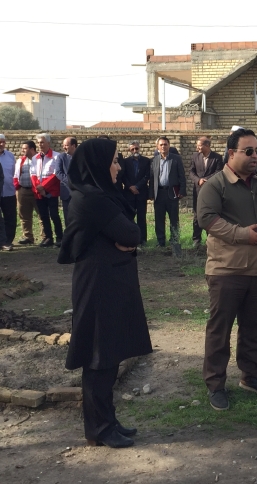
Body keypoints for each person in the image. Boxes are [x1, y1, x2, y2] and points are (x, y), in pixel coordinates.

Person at [58, 138, 151, 449]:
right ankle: (99, 428)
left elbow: (130, 235)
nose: (118, 166)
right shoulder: (92, 200)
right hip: (98, 287)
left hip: (108, 283)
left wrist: (123, 240)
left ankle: (107, 422)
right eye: (113, 161)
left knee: (108, 355)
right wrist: (124, 239)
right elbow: (132, 233)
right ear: (97, 165)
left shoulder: (99, 196)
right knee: (98, 357)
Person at [196, 128, 257, 411]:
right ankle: (215, 384)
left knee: (253, 327)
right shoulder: (215, 185)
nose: (255, 156)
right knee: (219, 330)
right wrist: (243, 234)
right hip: (227, 271)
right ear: (231, 153)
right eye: (248, 151)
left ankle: (251, 375)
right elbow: (207, 219)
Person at [148, 136, 186, 249]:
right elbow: (152, 178)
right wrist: (151, 194)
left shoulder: (176, 159)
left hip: (172, 193)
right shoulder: (154, 160)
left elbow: (182, 176)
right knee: (159, 218)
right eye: (161, 145)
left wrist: (182, 191)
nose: (163, 146)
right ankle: (161, 242)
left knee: (174, 219)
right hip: (159, 194)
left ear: (169, 145)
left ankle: (174, 241)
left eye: (165, 144)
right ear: (157, 147)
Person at [190, 136, 223, 248]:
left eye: (199, 145)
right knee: (197, 214)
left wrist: (206, 180)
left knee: (211, 213)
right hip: (198, 190)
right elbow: (191, 172)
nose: (197, 147)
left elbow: (219, 172)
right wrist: (198, 180)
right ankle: (196, 239)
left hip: (211, 191)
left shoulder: (217, 158)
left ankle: (211, 238)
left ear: (207, 146)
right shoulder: (195, 156)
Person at [31, 133, 63, 248]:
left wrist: (44, 186)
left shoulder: (56, 156)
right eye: (39, 142)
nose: (40, 144)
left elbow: (55, 175)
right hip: (39, 192)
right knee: (43, 215)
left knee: (54, 214)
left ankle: (59, 237)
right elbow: (33, 174)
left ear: (48, 143)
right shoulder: (35, 158)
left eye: (42, 142)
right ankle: (48, 237)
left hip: (51, 191)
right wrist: (38, 188)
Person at [121, 140, 150, 246]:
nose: (135, 150)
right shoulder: (125, 162)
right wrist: (130, 187)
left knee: (141, 218)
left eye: (136, 148)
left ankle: (143, 240)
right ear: (130, 150)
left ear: (139, 148)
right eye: (132, 149)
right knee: (129, 218)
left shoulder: (146, 161)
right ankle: (131, 239)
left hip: (141, 193)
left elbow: (147, 176)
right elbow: (123, 176)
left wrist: (137, 186)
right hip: (129, 194)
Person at [13, 141, 38, 245]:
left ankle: (45, 236)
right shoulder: (21, 160)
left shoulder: (39, 159)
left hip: (36, 191)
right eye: (22, 148)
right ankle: (28, 237)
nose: (22, 150)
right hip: (23, 190)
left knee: (41, 214)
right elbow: (16, 174)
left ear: (32, 149)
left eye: (25, 148)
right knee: (24, 216)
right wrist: (17, 187)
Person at [55, 137, 77, 221]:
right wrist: (71, 182)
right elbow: (58, 173)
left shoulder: (81, 156)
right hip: (66, 191)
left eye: (66, 145)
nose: (64, 147)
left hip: (79, 192)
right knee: (68, 217)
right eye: (63, 145)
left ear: (73, 146)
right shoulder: (61, 157)